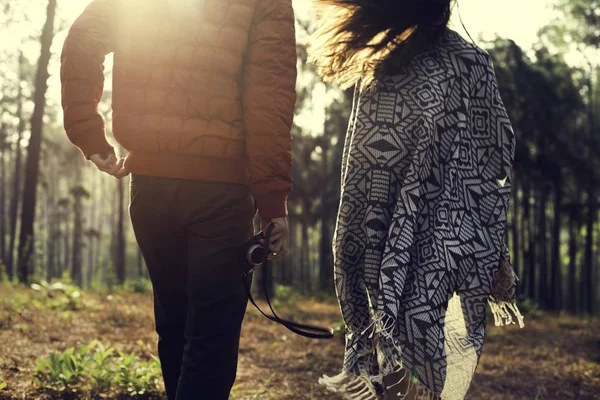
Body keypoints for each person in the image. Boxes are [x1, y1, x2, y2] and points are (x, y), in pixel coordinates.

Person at [60, 0, 297, 399]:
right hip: (220, 193)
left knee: (175, 327)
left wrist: (88, 132)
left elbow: (83, 36)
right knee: (210, 339)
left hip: (151, 189)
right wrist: (273, 202)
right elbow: (269, 97)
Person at [310, 1, 523, 399]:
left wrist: (357, 235)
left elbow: (361, 164)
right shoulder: (467, 63)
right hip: (451, 234)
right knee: (420, 342)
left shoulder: (383, 65)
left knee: (396, 338)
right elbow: (496, 151)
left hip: (388, 228)